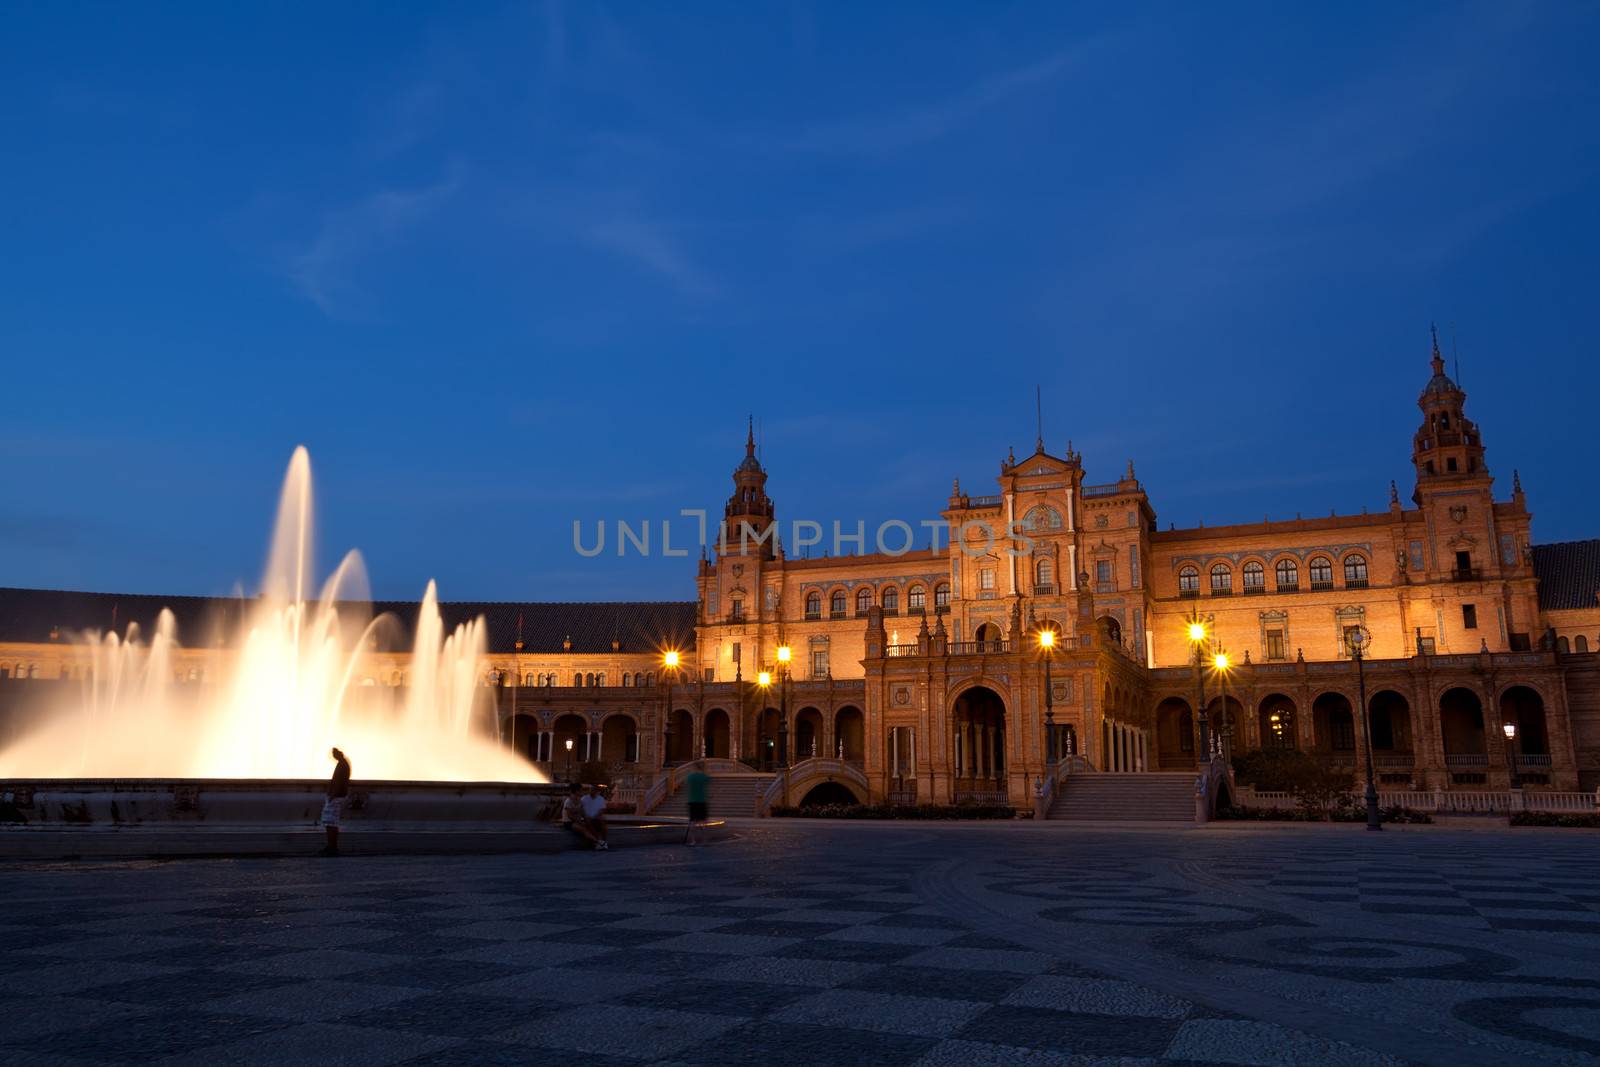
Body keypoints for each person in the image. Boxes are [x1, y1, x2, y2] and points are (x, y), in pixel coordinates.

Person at [321, 747, 350, 856]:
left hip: (336, 796)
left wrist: (332, 795)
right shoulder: (344, 763)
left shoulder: (341, 765)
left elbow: (339, 782)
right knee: (332, 823)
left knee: (330, 823)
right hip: (338, 796)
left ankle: (332, 847)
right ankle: (332, 846)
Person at [561, 782, 605, 850]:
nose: (582, 792)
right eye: (581, 790)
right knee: (584, 829)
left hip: (577, 821)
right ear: (576, 791)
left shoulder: (579, 801)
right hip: (568, 822)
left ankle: (599, 842)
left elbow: (583, 813)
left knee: (590, 825)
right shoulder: (568, 801)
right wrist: (580, 822)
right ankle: (599, 842)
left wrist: (587, 821)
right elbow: (570, 816)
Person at [684, 768, 710, 846]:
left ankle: (693, 841)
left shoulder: (690, 777)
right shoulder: (703, 776)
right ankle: (704, 840)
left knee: (692, 822)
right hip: (701, 801)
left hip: (692, 801)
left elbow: (687, 785)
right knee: (703, 822)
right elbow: (708, 780)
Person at [581, 783, 609, 848]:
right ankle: (599, 842)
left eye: (593, 790)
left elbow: (602, 810)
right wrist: (585, 817)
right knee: (590, 824)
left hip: (596, 818)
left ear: (597, 791)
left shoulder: (601, 799)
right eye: (591, 790)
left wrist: (595, 816)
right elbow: (581, 809)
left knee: (604, 826)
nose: (592, 791)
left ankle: (604, 842)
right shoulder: (584, 798)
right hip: (586, 818)